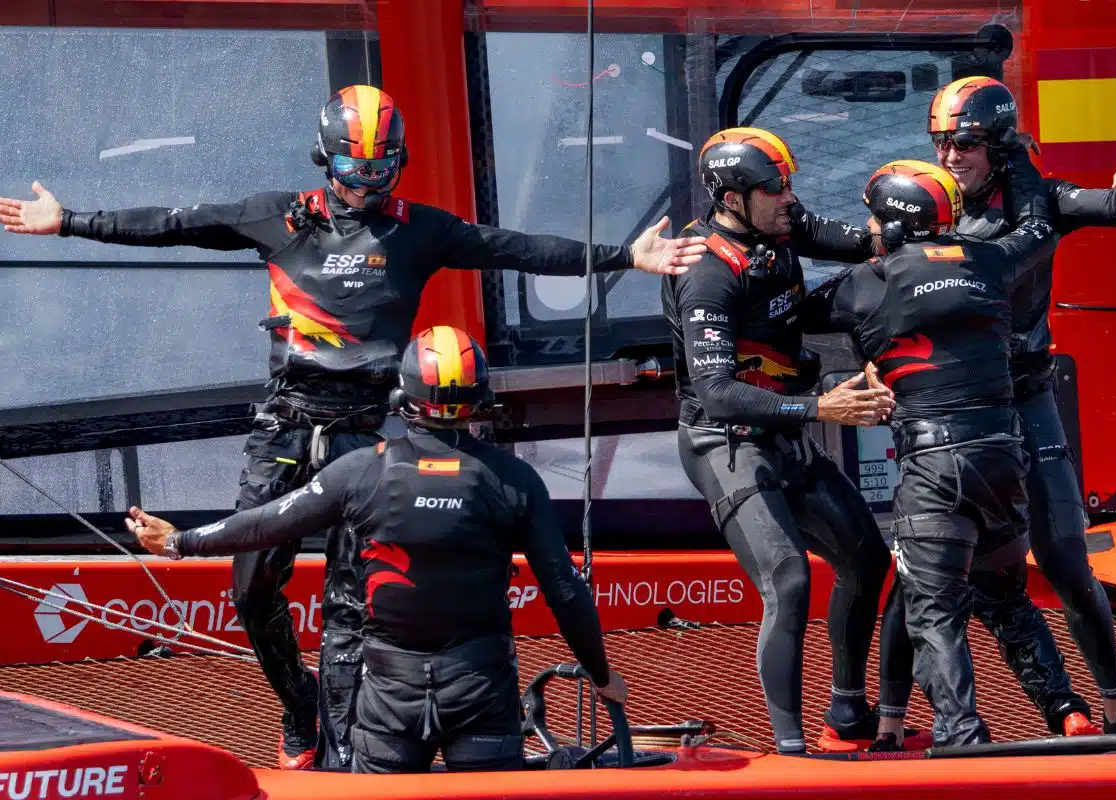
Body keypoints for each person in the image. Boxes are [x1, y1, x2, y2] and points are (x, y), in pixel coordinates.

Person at [0, 84, 703, 771]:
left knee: (350, 601)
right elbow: (175, 223)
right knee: (249, 589)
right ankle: (296, 702)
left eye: (381, 169)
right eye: (352, 169)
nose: (367, 184)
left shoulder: (419, 229)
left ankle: (345, 751)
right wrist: (68, 221)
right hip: (286, 421)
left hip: (370, 430)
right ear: (323, 158)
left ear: (398, 162)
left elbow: (512, 247)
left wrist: (624, 257)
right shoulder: (279, 217)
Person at [125, 324, 628, 774]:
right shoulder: (515, 480)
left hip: (389, 695)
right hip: (481, 689)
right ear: (479, 397)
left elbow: (265, 525)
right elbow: (564, 589)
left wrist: (177, 541)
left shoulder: (362, 470)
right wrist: (603, 676)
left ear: (404, 396)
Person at [661, 126, 931, 755]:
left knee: (867, 560)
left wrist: (893, 233)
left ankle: (846, 713)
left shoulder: (776, 222)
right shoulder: (706, 271)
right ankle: (790, 748)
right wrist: (821, 407)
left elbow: (836, 236)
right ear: (731, 197)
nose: (789, 197)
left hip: (782, 433)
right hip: (723, 441)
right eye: (774, 188)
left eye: (789, 184)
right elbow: (719, 392)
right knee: (788, 581)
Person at [801, 152, 1060, 746]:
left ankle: (961, 734)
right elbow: (1038, 228)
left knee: (933, 610)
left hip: (935, 468)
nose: (865, 228)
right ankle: (1068, 709)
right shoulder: (992, 260)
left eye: (871, 220)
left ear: (890, 227)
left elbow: (788, 311)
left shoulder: (866, 284)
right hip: (1004, 459)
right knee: (1008, 596)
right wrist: (1015, 160)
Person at [926, 76, 1116, 736]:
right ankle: (882, 722)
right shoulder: (929, 203)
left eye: (962, 143)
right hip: (957, 412)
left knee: (1062, 557)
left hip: (1026, 397)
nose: (948, 157)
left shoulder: (1041, 200)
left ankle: (1113, 706)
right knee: (935, 570)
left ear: (996, 144)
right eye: (940, 142)